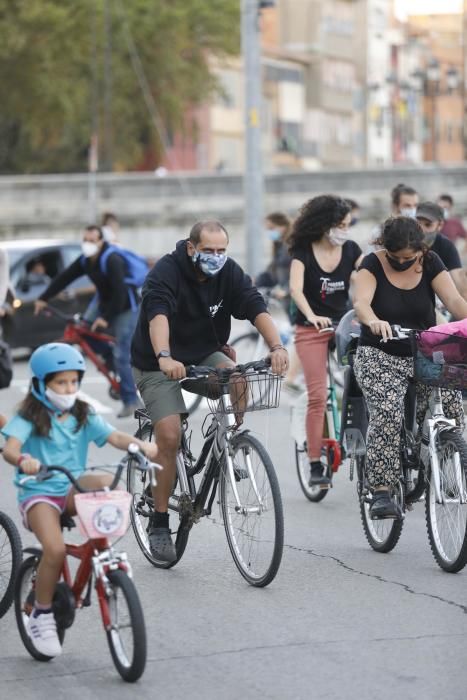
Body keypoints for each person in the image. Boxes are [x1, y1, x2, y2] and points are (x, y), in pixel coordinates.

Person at [131, 219, 289, 563]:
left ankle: (230, 441)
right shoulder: (166, 273)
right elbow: (157, 316)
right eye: (208, 251)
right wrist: (164, 356)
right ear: (192, 249)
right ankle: (159, 523)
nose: (216, 257)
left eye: (221, 251)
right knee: (169, 436)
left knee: (238, 377)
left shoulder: (228, 272)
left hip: (203, 353)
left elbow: (253, 304)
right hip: (158, 361)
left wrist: (277, 346)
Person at [1, 342, 158, 657]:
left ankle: (102, 552)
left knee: (105, 484)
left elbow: (113, 436)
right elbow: (10, 447)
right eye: (61, 382)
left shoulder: (82, 412)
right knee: (55, 549)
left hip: (71, 485)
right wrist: (22, 460)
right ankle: (41, 614)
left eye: (73, 381)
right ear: (41, 384)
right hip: (39, 490)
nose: (69, 388)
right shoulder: (29, 415)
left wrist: (139, 446)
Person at [353, 217, 467, 519]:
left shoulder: (431, 262)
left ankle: (448, 464)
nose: (403, 262)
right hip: (380, 352)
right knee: (389, 412)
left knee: (453, 406)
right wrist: (374, 320)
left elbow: (454, 301)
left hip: (425, 351)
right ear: (384, 249)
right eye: (396, 258)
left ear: (421, 249)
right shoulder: (372, 265)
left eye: (409, 258)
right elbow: (361, 303)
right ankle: (381, 490)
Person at [289, 195, 363, 487]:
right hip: (311, 328)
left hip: (343, 324)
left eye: (347, 225)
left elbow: (370, 272)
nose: (344, 231)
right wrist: (311, 315)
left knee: (365, 383)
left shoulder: (351, 250)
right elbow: (296, 289)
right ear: (323, 225)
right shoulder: (302, 252)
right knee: (318, 395)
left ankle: (361, 441)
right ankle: (314, 462)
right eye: (339, 225)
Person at [34, 225, 142, 418]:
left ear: (101, 242)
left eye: (92, 241)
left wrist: (105, 318)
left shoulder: (112, 259)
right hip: (103, 302)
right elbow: (65, 277)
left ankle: (131, 400)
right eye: (85, 240)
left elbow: (120, 293)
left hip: (126, 306)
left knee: (122, 354)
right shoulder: (85, 261)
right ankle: (109, 358)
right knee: (82, 330)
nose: (88, 244)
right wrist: (44, 298)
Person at [415, 201, 467, 300]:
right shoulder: (407, 243)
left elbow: (459, 281)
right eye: (418, 223)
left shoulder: (446, 246)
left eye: (428, 224)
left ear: (440, 225)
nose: (421, 229)